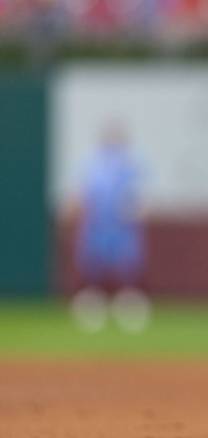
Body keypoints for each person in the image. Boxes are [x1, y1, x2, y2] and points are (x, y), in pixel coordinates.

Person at [70, 122, 150, 334]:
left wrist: (134, 210)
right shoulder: (93, 165)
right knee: (93, 272)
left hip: (123, 229)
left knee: (128, 271)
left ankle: (128, 313)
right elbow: (83, 197)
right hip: (96, 227)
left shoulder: (130, 165)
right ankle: (92, 313)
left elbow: (139, 198)